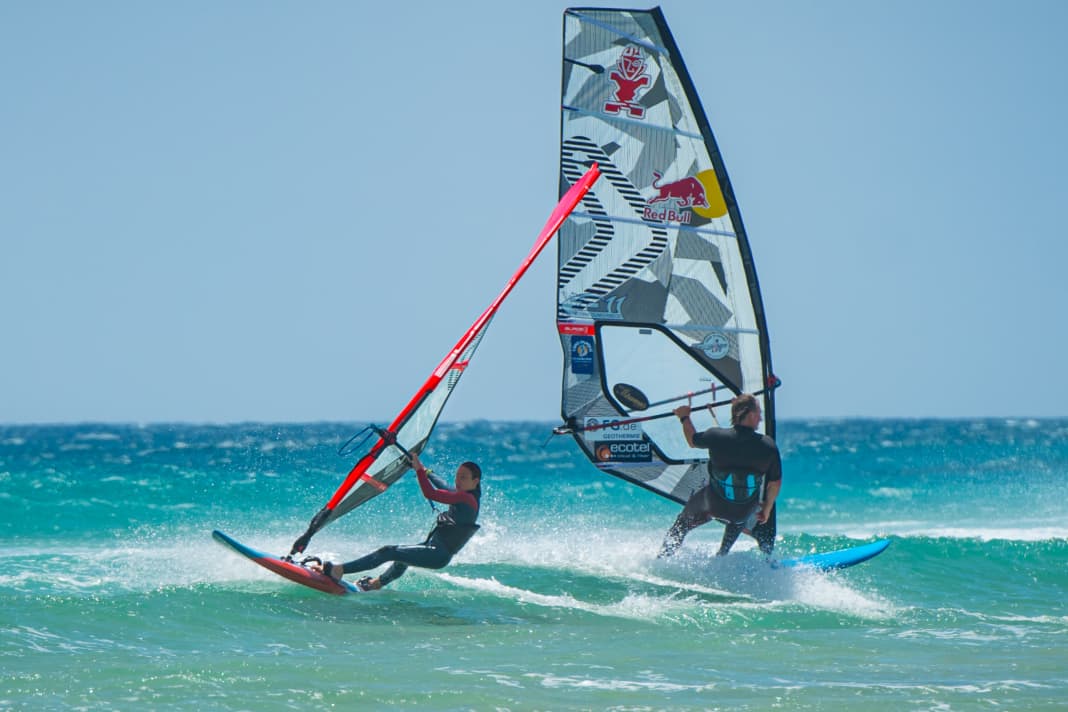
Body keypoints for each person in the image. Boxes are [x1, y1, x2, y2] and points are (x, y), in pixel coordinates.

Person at [312, 452, 482, 591]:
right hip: (437, 552)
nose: (458, 481)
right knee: (402, 557)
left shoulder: (466, 498)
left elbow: (431, 493)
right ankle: (375, 584)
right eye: (457, 476)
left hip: (437, 554)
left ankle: (339, 570)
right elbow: (444, 486)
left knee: (389, 551)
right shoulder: (467, 495)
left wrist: (419, 471)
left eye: (464, 478)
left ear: (476, 481)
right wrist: (427, 471)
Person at [658, 393, 782, 558]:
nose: (760, 419)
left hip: (712, 503)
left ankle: (662, 558)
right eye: (759, 413)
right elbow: (774, 483)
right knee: (740, 512)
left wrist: (684, 417)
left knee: (682, 524)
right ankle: (721, 556)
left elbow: (692, 440)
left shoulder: (716, 436)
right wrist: (766, 509)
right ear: (751, 415)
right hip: (742, 511)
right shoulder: (768, 445)